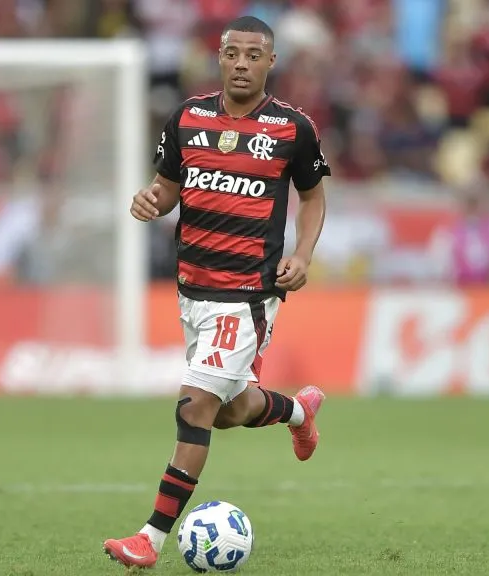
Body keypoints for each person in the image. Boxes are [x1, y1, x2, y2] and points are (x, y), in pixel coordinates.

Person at [103, 16, 330, 569]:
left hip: (248, 294)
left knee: (196, 405)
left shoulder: (293, 128)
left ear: (270, 63)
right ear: (220, 57)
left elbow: (314, 197)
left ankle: (150, 539)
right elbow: (167, 189)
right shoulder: (186, 119)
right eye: (233, 53)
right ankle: (297, 412)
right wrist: (150, 201)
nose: (242, 64)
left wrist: (301, 255)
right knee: (228, 412)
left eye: (255, 55)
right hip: (192, 291)